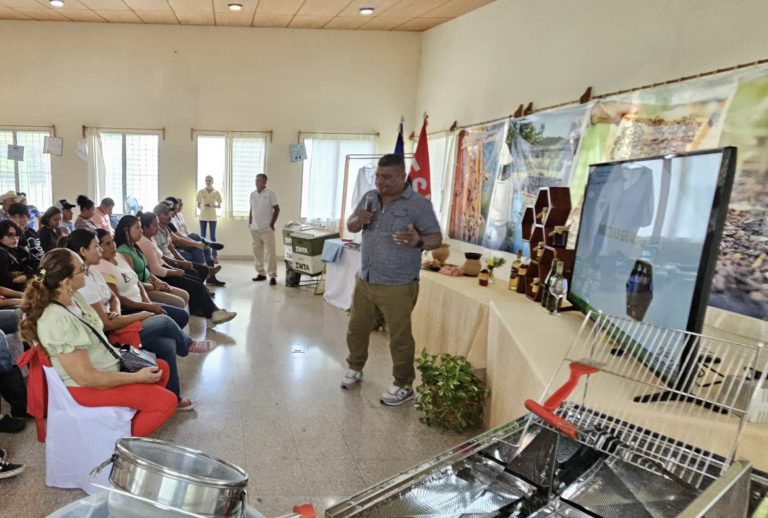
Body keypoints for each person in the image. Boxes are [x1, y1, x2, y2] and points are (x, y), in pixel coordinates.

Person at [20, 248, 177, 436]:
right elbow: (86, 378)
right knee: (166, 402)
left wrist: (110, 314)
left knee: (161, 368)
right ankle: (115, 445)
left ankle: (123, 424)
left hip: (106, 365)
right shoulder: (56, 319)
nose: (86, 272)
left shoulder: (74, 297)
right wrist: (137, 377)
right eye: (81, 269)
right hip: (87, 387)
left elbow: (95, 328)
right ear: (66, 281)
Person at [340, 154, 442, 406]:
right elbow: (351, 225)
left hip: (398, 283)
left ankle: (403, 384)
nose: (380, 181)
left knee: (399, 337)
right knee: (357, 328)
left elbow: (436, 239)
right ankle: (355, 367)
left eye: (386, 177)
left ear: (402, 176)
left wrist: (418, 241)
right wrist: (358, 220)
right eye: (377, 175)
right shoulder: (370, 198)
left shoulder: (418, 205)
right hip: (366, 278)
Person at [66, 229, 201, 411]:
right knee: (164, 321)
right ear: (83, 251)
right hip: (109, 335)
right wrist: (141, 313)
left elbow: (113, 298)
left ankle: (172, 396)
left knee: (167, 344)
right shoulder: (83, 283)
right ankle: (187, 345)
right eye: (96, 246)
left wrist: (115, 310)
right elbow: (105, 324)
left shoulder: (93, 271)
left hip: (118, 319)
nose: (100, 250)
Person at [134, 212, 236, 326]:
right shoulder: (144, 243)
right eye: (154, 225)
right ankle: (213, 313)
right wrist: (175, 271)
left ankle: (209, 311)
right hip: (162, 276)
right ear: (145, 227)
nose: (158, 228)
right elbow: (156, 270)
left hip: (166, 269)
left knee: (195, 277)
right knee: (195, 284)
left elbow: (162, 257)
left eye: (158, 224)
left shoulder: (150, 239)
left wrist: (178, 263)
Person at [93, 229, 191, 330]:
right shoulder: (102, 267)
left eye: (112, 241)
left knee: (180, 315)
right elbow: (119, 300)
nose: (113, 245)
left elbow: (136, 281)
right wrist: (148, 306)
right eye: (107, 244)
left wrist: (148, 302)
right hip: (131, 309)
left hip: (142, 300)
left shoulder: (119, 255)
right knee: (178, 317)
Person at [114, 216, 189, 310]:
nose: (141, 231)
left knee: (185, 295)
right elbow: (134, 282)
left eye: (141, 227)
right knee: (179, 302)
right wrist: (154, 287)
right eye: (137, 227)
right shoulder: (123, 252)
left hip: (151, 284)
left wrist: (158, 281)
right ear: (126, 230)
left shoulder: (135, 246)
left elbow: (146, 269)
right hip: (144, 290)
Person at [249, 174, 280, 285]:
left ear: (264, 182)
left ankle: (272, 275)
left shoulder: (270, 193)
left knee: (270, 253)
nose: (256, 182)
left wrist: (272, 224)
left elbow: (277, 209)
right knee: (257, 252)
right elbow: (251, 209)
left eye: (259, 180)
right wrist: (250, 223)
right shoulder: (252, 194)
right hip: (255, 229)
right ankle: (261, 273)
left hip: (267, 228)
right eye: (256, 180)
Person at [0, 220, 37, 291]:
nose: (15, 239)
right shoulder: (2, 254)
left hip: (27, 288)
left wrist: (27, 276)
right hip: (10, 294)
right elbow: (5, 284)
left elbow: (43, 267)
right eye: (10, 235)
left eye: (17, 235)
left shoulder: (20, 249)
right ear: (1, 237)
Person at [196, 175, 222, 261]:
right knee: (202, 237)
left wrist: (212, 205)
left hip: (213, 217)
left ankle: (214, 256)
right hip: (203, 216)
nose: (208, 182)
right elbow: (198, 204)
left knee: (213, 237)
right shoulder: (201, 191)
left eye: (210, 180)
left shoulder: (216, 192)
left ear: (212, 181)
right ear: (205, 181)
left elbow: (219, 206)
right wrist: (203, 208)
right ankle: (204, 256)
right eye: (206, 180)